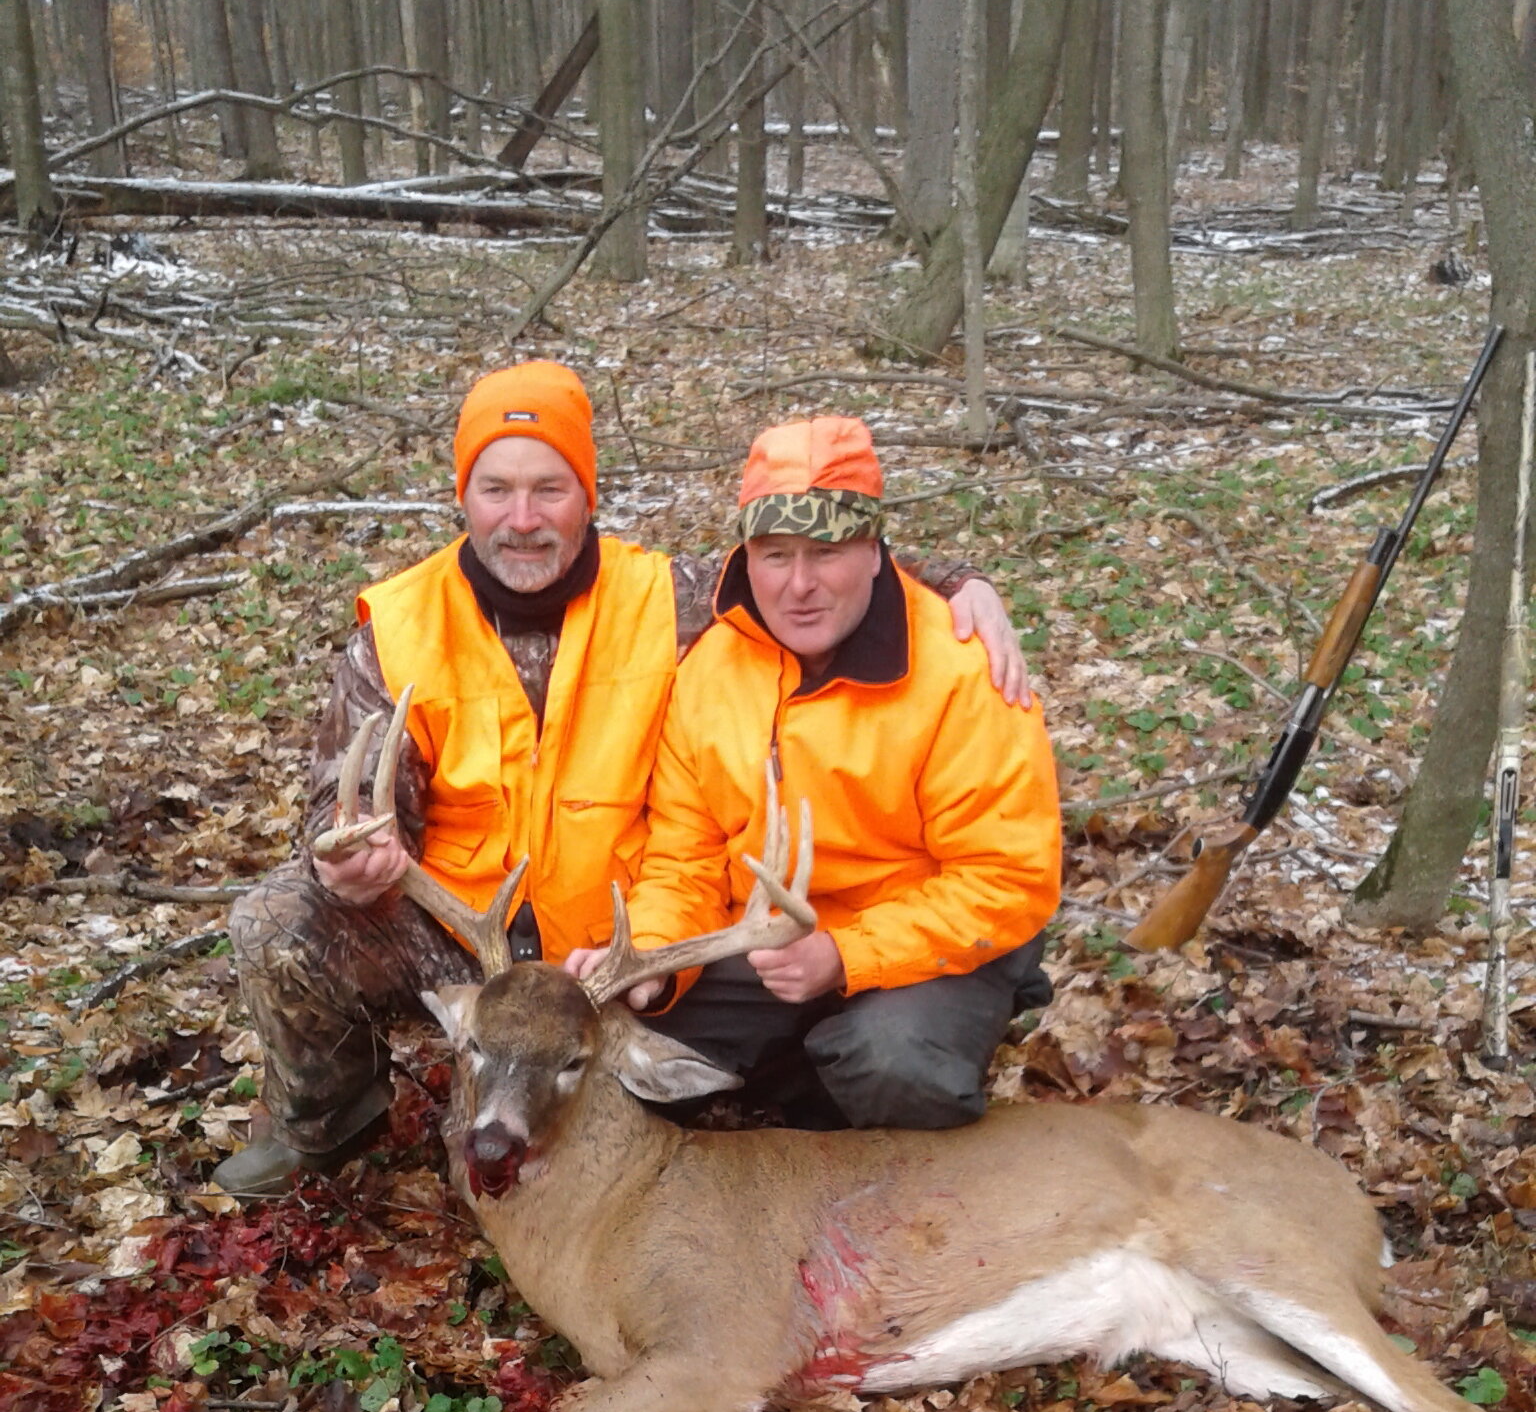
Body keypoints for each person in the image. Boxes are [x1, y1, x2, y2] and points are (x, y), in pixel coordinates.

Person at [217, 363, 1035, 1196]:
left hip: (601, 943)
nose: (524, 519)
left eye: (552, 489)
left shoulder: (670, 599)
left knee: (676, 1091)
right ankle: (327, 1128)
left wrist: (960, 582)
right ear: (463, 496)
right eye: (496, 489)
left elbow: (808, 565)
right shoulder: (397, 628)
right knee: (278, 921)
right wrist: (347, 859)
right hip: (465, 937)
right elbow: (342, 808)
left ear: (590, 495)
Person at [569, 416, 1060, 1131]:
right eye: (774, 555)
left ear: (872, 550)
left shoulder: (962, 671)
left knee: (892, 1064)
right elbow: (685, 858)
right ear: (746, 557)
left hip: (930, 946)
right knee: (625, 1058)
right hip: (768, 946)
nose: (799, 585)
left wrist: (844, 956)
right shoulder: (711, 670)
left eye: (825, 552)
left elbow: (1008, 879)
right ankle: (803, 1082)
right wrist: (651, 958)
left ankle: (919, 1201)